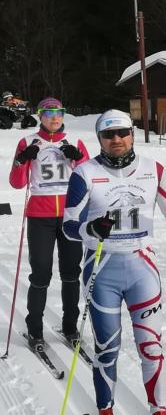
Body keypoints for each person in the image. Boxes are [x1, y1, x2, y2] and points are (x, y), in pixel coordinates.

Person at [62, 109, 166, 415]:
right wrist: (90, 229)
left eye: (123, 132)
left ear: (132, 134)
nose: (117, 139)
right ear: (100, 139)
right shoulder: (84, 173)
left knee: (152, 348)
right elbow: (68, 225)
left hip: (143, 269)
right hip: (102, 270)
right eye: (109, 135)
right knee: (107, 349)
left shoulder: (154, 170)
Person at [8, 98, 88, 350]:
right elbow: (17, 183)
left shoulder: (75, 143)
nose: (54, 118)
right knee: (41, 273)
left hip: (70, 216)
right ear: (40, 116)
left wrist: (78, 160)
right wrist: (23, 159)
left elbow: (91, 180)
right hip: (39, 217)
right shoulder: (27, 141)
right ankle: (34, 329)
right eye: (49, 113)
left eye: (59, 113)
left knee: (71, 274)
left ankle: (70, 326)